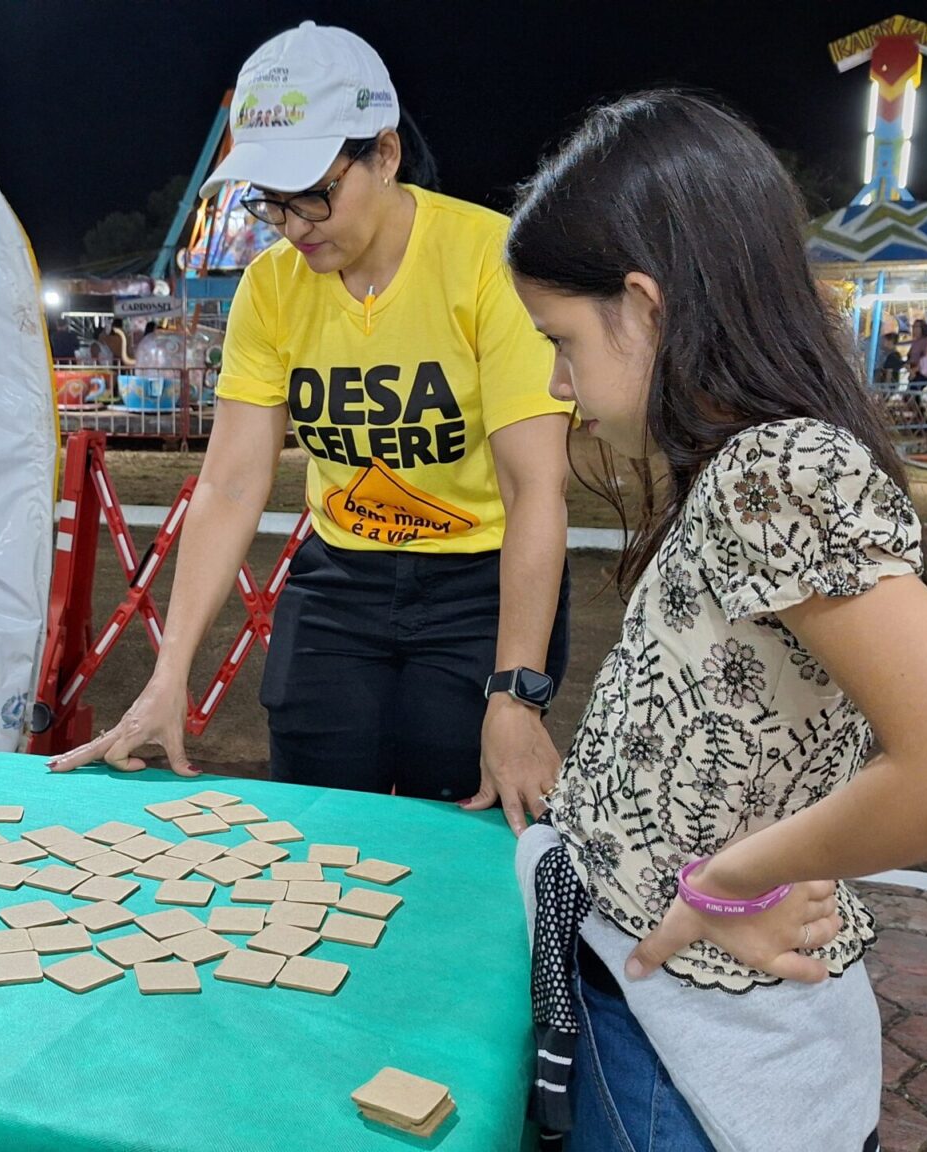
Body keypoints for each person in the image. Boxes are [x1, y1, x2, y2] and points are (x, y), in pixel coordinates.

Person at [506, 92, 927, 1152]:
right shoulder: (744, 461)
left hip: (684, 1039)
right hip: (653, 995)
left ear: (645, 306)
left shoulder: (774, 468)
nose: (557, 384)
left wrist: (731, 880)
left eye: (561, 341)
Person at [50, 21, 576, 831]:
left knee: (454, 816)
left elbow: (535, 488)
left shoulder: (487, 261)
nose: (295, 225)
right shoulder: (270, 287)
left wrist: (514, 693)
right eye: (273, 202)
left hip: (479, 582)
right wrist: (170, 671)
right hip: (342, 578)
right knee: (316, 825)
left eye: (315, 193)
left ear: (385, 155)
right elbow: (230, 483)